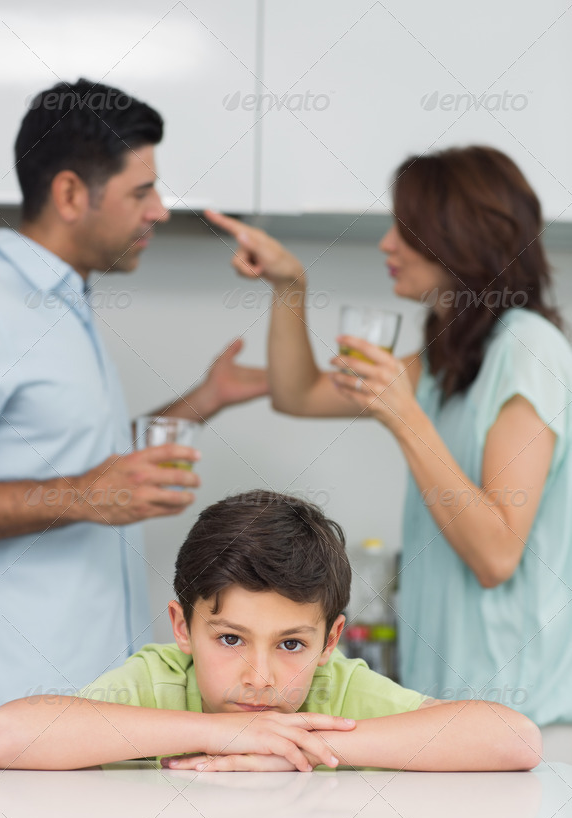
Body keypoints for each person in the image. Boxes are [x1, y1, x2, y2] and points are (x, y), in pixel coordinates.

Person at [203, 145, 572, 727]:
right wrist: (290, 286)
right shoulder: (450, 359)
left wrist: (403, 415)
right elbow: (297, 394)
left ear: (461, 235)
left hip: (518, 711)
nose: (386, 245)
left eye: (405, 229)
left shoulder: (526, 349)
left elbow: (496, 555)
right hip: (449, 698)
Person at [0, 79, 267, 717]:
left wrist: (204, 399)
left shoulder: (63, 303)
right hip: (10, 709)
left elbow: (78, 453)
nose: (160, 210)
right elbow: (84, 483)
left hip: (91, 698)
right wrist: (83, 496)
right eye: (142, 191)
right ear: (70, 193)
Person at [0, 490, 541, 771]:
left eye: (291, 644)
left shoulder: (335, 694)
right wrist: (222, 735)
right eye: (230, 639)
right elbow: (3, 736)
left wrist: (298, 743)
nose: (260, 677)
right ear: (182, 626)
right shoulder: (160, 681)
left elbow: (514, 739)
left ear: (330, 641)